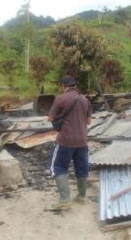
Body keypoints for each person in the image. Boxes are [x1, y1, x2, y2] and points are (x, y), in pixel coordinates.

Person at [48, 75, 92, 210]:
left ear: (63, 86)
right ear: (75, 85)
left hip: (65, 141)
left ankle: (65, 199)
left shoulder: (60, 99)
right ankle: (81, 196)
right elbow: (89, 121)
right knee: (81, 168)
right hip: (82, 141)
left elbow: (50, 118)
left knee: (58, 167)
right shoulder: (85, 99)